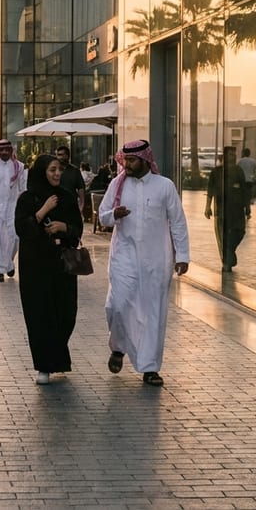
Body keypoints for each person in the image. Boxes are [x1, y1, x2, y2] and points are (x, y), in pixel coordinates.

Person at [99, 140, 189, 387]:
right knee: (117, 305)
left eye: (131, 160)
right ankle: (118, 347)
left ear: (145, 160)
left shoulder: (165, 186)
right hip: (123, 257)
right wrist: (113, 215)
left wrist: (182, 255)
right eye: (124, 160)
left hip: (156, 259)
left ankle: (150, 368)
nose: (126, 165)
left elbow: (178, 222)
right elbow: (102, 214)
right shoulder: (117, 185)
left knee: (153, 313)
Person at [15, 155, 84, 385]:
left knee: (66, 314)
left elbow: (78, 229)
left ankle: (56, 357)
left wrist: (65, 227)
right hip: (35, 266)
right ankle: (44, 365)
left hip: (62, 265)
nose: (57, 174)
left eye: (59, 170)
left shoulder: (66, 197)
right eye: (52, 170)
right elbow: (22, 229)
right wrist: (42, 211)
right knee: (40, 316)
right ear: (41, 172)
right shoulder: (27, 198)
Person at [0, 139, 26, 283]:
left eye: (7, 150)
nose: (4, 152)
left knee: (14, 238)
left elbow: (23, 188)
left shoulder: (19, 167)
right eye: (1, 150)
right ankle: (1, 271)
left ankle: (8, 263)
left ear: (11, 151)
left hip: (14, 208)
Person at [204, 147, 247, 272]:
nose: (233, 157)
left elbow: (244, 189)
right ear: (225, 156)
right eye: (230, 154)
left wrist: (247, 208)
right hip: (221, 210)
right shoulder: (216, 172)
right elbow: (210, 190)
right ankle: (226, 263)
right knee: (221, 236)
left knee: (240, 231)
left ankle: (229, 254)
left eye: (234, 154)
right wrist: (208, 206)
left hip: (237, 209)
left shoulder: (239, 171)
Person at [237, 147, 256, 218]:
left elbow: (237, 169)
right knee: (248, 197)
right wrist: (254, 178)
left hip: (241, 181)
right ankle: (248, 212)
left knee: (241, 196)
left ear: (243, 153)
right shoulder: (254, 161)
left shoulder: (240, 161)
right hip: (250, 181)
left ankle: (241, 211)